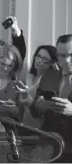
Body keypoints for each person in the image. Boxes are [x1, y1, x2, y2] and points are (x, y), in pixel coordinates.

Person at [30, 34, 72, 162]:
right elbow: (34, 112)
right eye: (62, 56)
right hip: (49, 147)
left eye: (71, 55)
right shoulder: (49, 76)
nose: (67, 60)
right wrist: (38, 105)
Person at [21, 45, 57, 128]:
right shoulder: (29, 76)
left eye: (44, 59)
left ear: (52, 63)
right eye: (38, 56)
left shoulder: (48, 81)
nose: (39, 61)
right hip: (25, 121)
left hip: (40, 124)